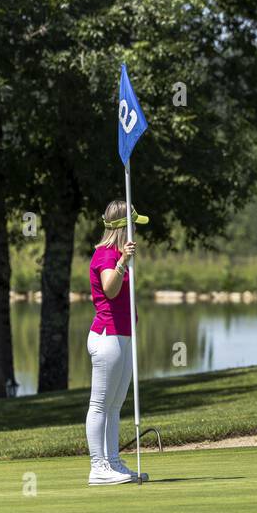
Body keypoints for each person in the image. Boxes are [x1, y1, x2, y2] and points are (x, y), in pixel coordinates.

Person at [85, 200, 149, 485]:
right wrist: (123, 260)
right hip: (106, 336)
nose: (137, 230)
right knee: (99, 405)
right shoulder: (105, 255)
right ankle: (97, 466)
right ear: (123, 227)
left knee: (115, 405)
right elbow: (110, 291)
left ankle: (113, 462)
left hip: (123, 335)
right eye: (133, 225)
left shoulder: (120, 255)